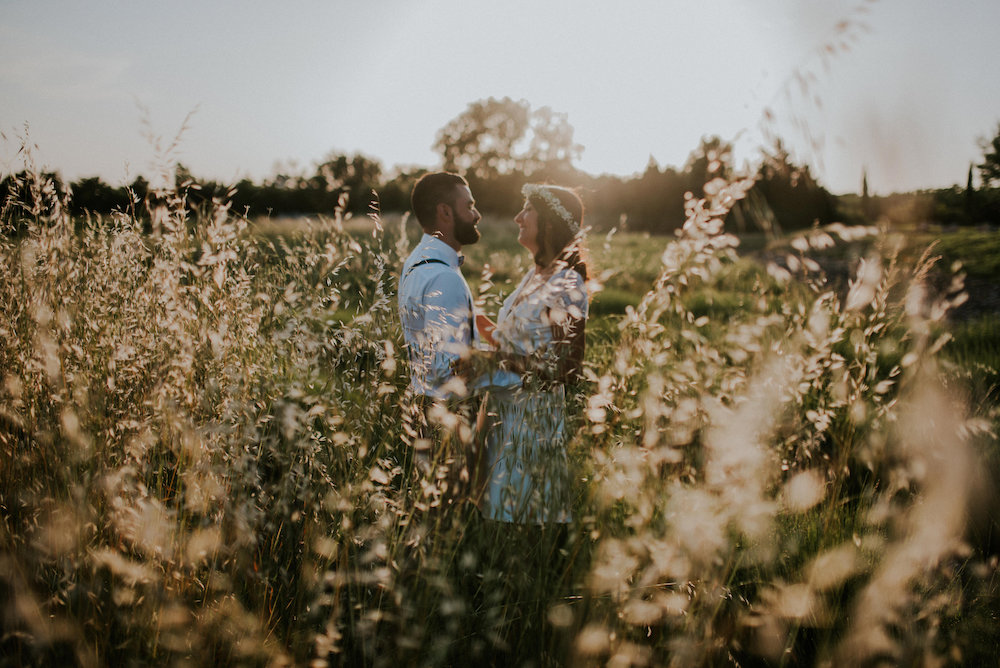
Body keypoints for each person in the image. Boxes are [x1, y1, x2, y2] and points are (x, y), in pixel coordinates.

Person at [467, 183, 589, 525]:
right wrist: (477, 323)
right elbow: (520, 342)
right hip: (501, 413)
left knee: (519, 522)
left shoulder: (567, 284)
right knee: (490, 519)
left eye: (527, 210)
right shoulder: (534, 275)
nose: (518, 217)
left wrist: (497, 362)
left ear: (549, 222)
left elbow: (567, 368)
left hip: (531, 424)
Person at [397, 171, 483, 491]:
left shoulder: (416, 263)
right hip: (447, 421)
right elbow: (451, 370)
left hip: (424, 411)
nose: (476, 214)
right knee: (451, 509)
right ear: (445, 212)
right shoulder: (444, 277)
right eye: (469, 206)